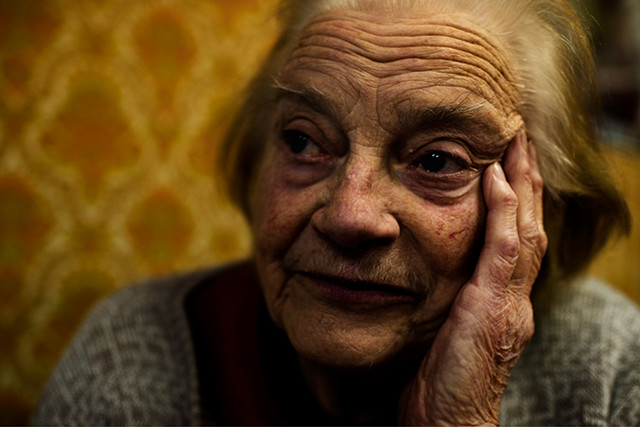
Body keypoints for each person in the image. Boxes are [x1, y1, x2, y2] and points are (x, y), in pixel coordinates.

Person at [33, 0, 639, 425]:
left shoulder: (610, 367)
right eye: (303, 142)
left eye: (435, 159)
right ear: (256, 159)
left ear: (540, 204)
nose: (350, 216)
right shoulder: (134, 353)